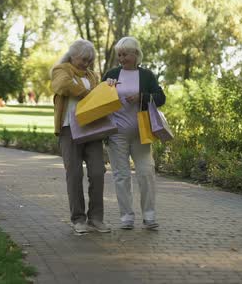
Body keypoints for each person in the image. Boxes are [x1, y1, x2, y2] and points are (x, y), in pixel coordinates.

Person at [103, 37, 166, 230]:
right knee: (121, 176)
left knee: (146, 172)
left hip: (141, 132)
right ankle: (126, 217)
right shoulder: (112, 74)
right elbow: (98, 100)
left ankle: (149, 216)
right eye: (119, 55)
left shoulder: (146, 75)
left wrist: (142, 97)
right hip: (116, 133)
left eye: (125, 54)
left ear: (136, 54)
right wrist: (107, 88)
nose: (122, 58)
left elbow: (161, 98)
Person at [51, 39, 111, 234]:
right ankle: (78, 219)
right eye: (83, 59)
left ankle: (96, 218)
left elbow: (103, 94)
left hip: (92, 129)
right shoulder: (61, 70)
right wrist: (88, 94)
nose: (86, 63)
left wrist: (107, 86)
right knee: (74, 174)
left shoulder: (93, 75)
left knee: (97, 172)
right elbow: (63, 86)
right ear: (73, 55)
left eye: (89, 60)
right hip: (69, 129)